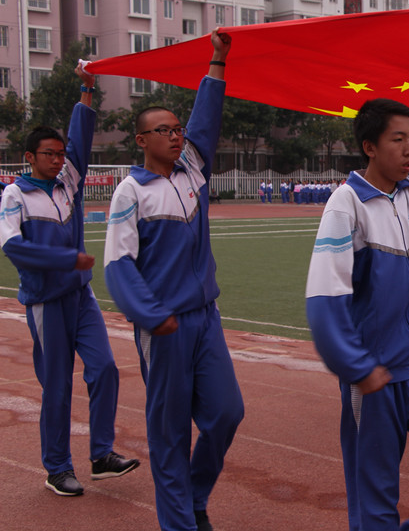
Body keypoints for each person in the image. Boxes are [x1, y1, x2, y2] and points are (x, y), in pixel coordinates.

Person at [305, 0, 409, 531]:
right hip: (372, 374)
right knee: (374, 498)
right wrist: (358, 369)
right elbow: (324, 298)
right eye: (397, 140)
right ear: (369, 147)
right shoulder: (346, 205)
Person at [104, 30, 244, 531]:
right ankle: (180, 522)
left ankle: (193, 495)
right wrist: (149, 314)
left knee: (226, 413)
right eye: (164, 130)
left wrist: (217, 62)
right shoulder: (130, 192)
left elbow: (207, 120)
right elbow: (117, 265)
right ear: (142, 140)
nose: (176, 135)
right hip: (162, 326)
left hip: (205, 319)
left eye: (177, 129)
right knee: (168, 434)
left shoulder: (193, 174)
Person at [0, 64, 140, 497]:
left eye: (61, 154)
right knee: (57, 386)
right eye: (50, 154)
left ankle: (101, 455)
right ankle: (57, 467)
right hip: (46, 300)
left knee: (105, 369)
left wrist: (86, 90)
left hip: (81, 298)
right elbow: (12, 246)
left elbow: (80, 139)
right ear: (30, 157)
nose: (59, 160)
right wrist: (67, 258)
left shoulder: (68, 184)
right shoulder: (14, 195)